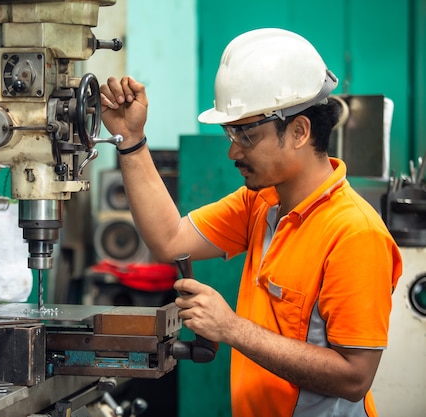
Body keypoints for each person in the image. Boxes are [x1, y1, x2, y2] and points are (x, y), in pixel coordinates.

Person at [99, 28, 403, 417]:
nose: (231, 150)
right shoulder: (262, 203)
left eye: (246, 134)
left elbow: (354, 377)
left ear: (298, 131)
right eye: (231, 131)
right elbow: (169, 239)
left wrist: (230, 328)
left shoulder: (354, 234)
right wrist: (129, 136)